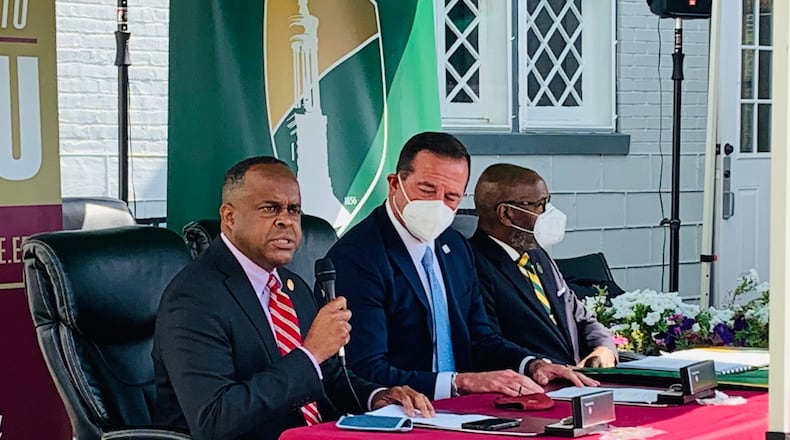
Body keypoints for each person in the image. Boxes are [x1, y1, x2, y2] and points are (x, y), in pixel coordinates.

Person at [152, 156, 433, 440]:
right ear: (229, 217)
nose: (286, 220)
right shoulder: (194, 298)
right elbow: (214, 419)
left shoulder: (292, 286)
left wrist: (377, 397)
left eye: (294, 210)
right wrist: (310, 353)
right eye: (270, 208)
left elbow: (327, 376)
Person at [325, 132, 597, 400]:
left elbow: (480, 338)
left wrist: (532, 365)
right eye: (427, 190)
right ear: (395, 184)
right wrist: (459, 383)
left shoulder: (455, 246)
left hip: (466, 408)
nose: (438, 204)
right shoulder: (358, 256)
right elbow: (365, 369)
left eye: (451, 197)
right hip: (403, 410)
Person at [470, 163, 617, 368]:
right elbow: (489, 342)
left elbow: (579, 315)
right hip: (533, 381)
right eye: (539, 204)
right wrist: (537, 366)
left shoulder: (537, 255)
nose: (547, 212)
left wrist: (604, 348)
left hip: (576, 378)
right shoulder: (474, 264)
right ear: (506, 213)